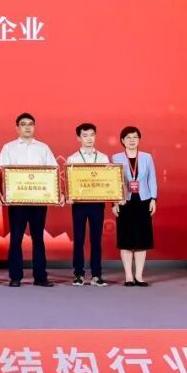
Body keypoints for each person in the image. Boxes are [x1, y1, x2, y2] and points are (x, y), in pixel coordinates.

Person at [0, 112, 59, 288]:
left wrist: (55, 194)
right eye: (23, 124)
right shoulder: (8, 148)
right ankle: (15, 276)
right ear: (17, 128)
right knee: (16, 238)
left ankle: (40, 276)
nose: (27, 127)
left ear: (34, 127)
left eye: (30, 124)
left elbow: (53, 172)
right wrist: (1, 193)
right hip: (17, 202)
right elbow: (2, 173)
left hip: (39, 201)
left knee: (38, 238)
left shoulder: (43, 148)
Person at [112, 126, 158, 287]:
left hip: (143, 200)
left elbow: (152, 179)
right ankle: (128, 276)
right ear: (122, 140)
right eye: (128, 137)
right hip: (124, 202)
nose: (132, 140)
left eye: (135, 137)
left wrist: (153, 199)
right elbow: (113, 182)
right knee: (125, 239)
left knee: (141, 240)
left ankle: (139, 276)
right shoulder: (116, 157)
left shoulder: (147, 157)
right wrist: (114, 203)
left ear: (139, 139)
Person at [66, 123, 109, 287]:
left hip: (97, 203)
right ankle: (78, 274)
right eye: (85, 135)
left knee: (96, 239)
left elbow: (109, 181)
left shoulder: (103, 158)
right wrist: (69, 195)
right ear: (79, 138)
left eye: (92, 135)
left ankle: (97, 275)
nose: (89, 138)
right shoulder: (73, 159)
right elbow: (69, 182)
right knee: (78, 239)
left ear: (95, 136)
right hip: (79, 204)